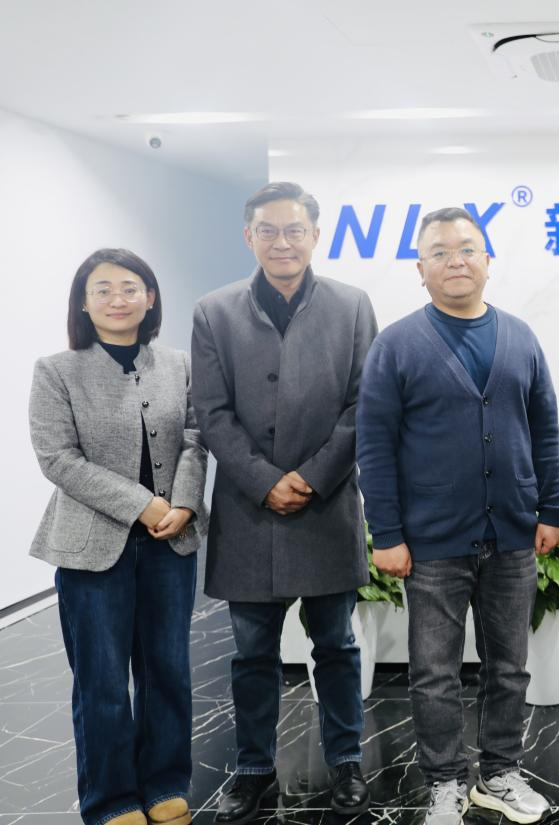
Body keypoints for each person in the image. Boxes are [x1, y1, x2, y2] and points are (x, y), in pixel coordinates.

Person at [357, 206, 559, 825]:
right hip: (432, 542)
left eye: (468, 249)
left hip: (512, 536)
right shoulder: (396, 344)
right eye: (441, 252)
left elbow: (545, 430)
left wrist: (550, 509)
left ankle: (500, 773)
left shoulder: (521, 337)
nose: (456, 261)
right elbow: (374, 444)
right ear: (420, 268)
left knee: (510, 668)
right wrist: (386, 533)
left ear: (487, 261)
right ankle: (445, 781)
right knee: (434, 673)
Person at [191, 182, 377, 822]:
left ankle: (347, 762)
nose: (282, 242)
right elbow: (211, 411)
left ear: (315, 236)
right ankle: (252, 769)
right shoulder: (214, 311)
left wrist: (314, 476)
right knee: (252, 655)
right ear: (249, 236)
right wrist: (263, 479)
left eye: (294, 230)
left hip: (326, 509)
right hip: (250, 513)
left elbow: (364, 404)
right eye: (268, 230)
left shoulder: (352, 306)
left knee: (337, 649)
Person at [29, 248, 207, 825]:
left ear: (150, 297)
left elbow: (195, 437)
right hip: (91, 546)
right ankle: (111, 800)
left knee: (167, 670)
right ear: (83, 303)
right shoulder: (57, 370)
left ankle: (165, 784)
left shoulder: (177, 364)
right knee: (102, 680)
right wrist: (142, 504)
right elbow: (58, 458)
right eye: (102, 289)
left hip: (169, 541)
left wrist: (183, 503)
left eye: (130, 287)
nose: (117, 299)